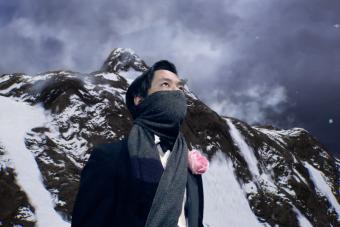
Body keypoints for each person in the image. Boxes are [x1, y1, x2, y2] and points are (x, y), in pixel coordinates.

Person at [71, 60, 204, 227]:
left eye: (179, 87)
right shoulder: (109, 158)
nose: (177, 93)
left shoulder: (188, 166)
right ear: (140, 100)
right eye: (165, 84)